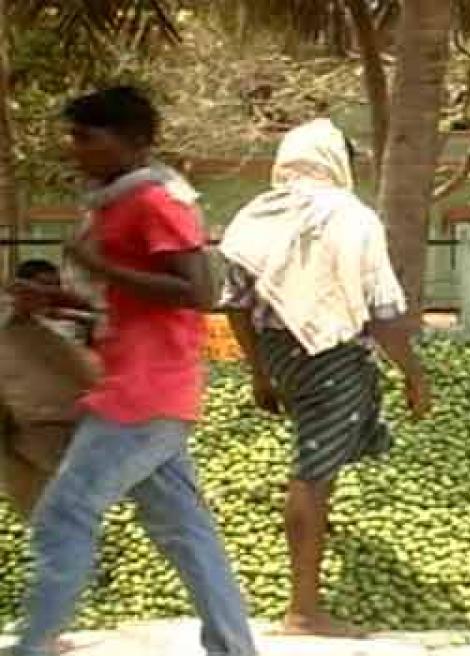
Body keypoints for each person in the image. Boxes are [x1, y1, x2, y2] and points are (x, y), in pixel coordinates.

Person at [1, 86, 257, 656]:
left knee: (63, 514)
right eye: (73, 136)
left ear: (133, 141)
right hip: (143, 390)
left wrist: (99, 264)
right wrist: (57, 303)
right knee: (188, 536)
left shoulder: (155, 201)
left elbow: (198, 290)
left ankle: (33, 645)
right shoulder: (116, 202)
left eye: (87, 137)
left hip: (142, 397)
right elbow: (130, 305)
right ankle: (234, 648)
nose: (75, 149)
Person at [218, 118, 430, 639]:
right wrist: (414, 375)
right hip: (331, 355)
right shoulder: (351, 217)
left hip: (280, 353)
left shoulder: (256, 214)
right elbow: (381, 312)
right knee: (313, 470)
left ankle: (306, 595)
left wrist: (260, 372)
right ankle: (304, 610)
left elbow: (236, 305)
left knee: (317, 462)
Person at [0, 260, 100, 522]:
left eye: (55, 287)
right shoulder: (11, 328)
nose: (49, 294)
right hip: (30, 430)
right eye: (43, 287)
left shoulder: (72, 324)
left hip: (75, 425)